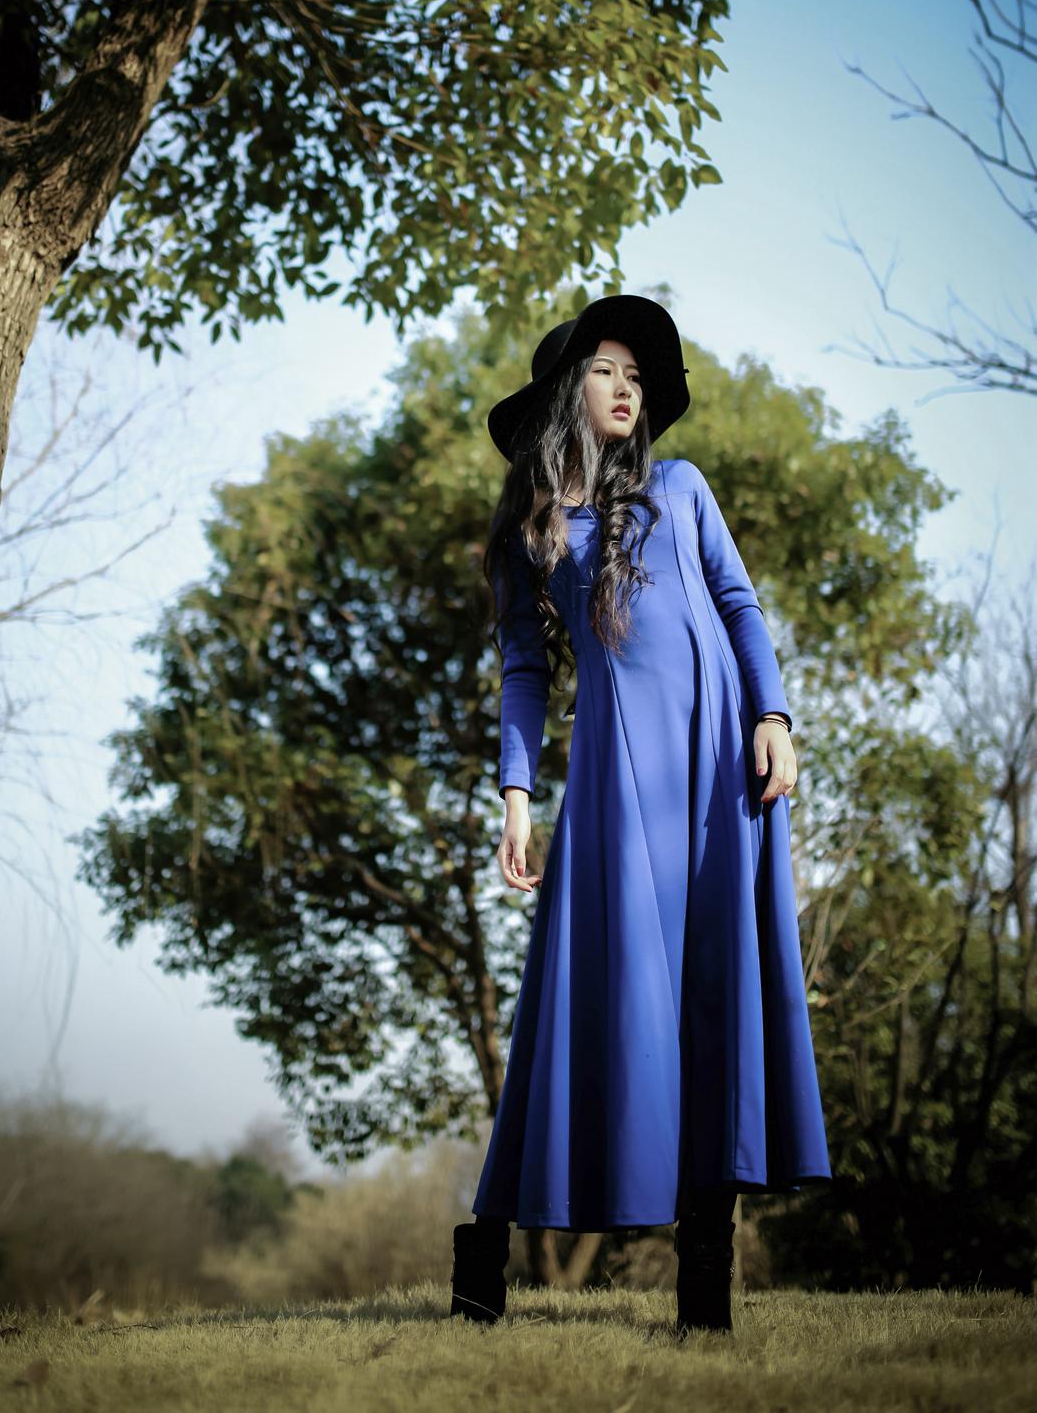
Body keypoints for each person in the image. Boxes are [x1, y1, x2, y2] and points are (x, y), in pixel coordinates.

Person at [449, 294, 832, 1336]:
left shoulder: (682, 488)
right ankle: (484, 1254)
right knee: (581, 1002)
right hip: (619, 786)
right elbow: (523, 673)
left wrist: (774, 716)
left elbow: (739, 605)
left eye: (635, 376)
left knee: (719, 999)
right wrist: (516, 800)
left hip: (724, 773)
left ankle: (705, 1296)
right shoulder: (532, 534)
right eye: (604, 371)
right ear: (563, 394)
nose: (626, 389)